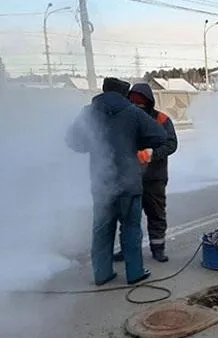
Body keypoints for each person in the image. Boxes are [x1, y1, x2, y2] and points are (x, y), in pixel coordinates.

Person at [66, 78, 167, 285]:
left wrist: (91, 145)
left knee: (102, 229)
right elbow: (160, 135)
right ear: (124, 94)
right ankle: (135, 272)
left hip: (102, 182)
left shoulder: (88, 113)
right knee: (130, 228)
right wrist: (134, 142)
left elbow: (72, 140)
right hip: (129, 181)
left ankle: (102, 274)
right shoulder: (133, 112)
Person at [112, 83, 178, 263]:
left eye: (140, 104)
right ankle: (127, 249)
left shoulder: (162, 120)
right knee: (127, 216)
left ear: (149, 103)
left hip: (154, 178)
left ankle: (158, 248)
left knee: (156, 214)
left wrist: (152, 153)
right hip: (130, 177)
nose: (137, 108)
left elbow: (171, 144)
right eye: (133, 104)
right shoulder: (125, 119)